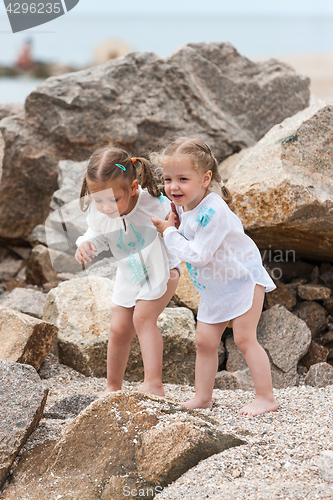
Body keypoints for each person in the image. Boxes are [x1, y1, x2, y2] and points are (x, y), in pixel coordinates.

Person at [151, 137, 279, 417]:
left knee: (245, 339)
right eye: (168, 178)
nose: (173, 186)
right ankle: (202, 397)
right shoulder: (184, 207)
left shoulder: (214, 209)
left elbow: (198, 255)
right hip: (215, 287)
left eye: (183, 178)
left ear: (205, 178)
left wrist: (169, 232)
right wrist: (172, 223)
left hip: (243, 279)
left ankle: (265, 397)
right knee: (205, 341)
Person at [75, 146, 180, 397]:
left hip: (161, 269)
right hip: (130, 272)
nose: (105, 207)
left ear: (133, 188)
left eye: (113, 200)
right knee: (119, 328)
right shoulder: (100, 211)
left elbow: (179, 223)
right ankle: (113, 386)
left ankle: (154, 384)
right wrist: (86, 243)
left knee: (143, 318)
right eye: (97, 199)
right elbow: (97, 234)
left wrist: (171, 226)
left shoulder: (152, 205)